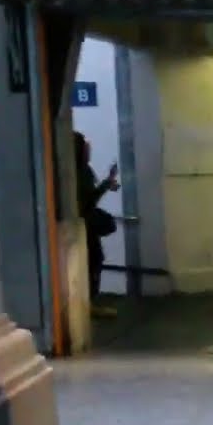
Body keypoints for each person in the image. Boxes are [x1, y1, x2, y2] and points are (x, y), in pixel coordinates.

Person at [75, 132, 121, 318]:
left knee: (95, 260)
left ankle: (90, 301)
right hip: (84, 225)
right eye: (86, 149)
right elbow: (88, 200)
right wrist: (106, 184)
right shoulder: (79, 172)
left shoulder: (83, 170)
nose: (89, 152)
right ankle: (90, 303)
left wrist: (106, 183)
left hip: (85, 224)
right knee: (93, 260)